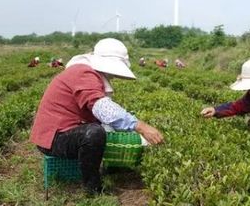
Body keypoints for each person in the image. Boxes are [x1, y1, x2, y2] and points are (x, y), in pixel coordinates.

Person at [30, 38, 164, 195]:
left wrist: (129, 129)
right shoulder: (83, 73)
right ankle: (93, 189)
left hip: (64, 133)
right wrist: (141, 127)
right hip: (53, 139)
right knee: (94, 133)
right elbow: (102, 107)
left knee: (106, 128)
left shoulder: (86, 73)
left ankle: (111, 170)